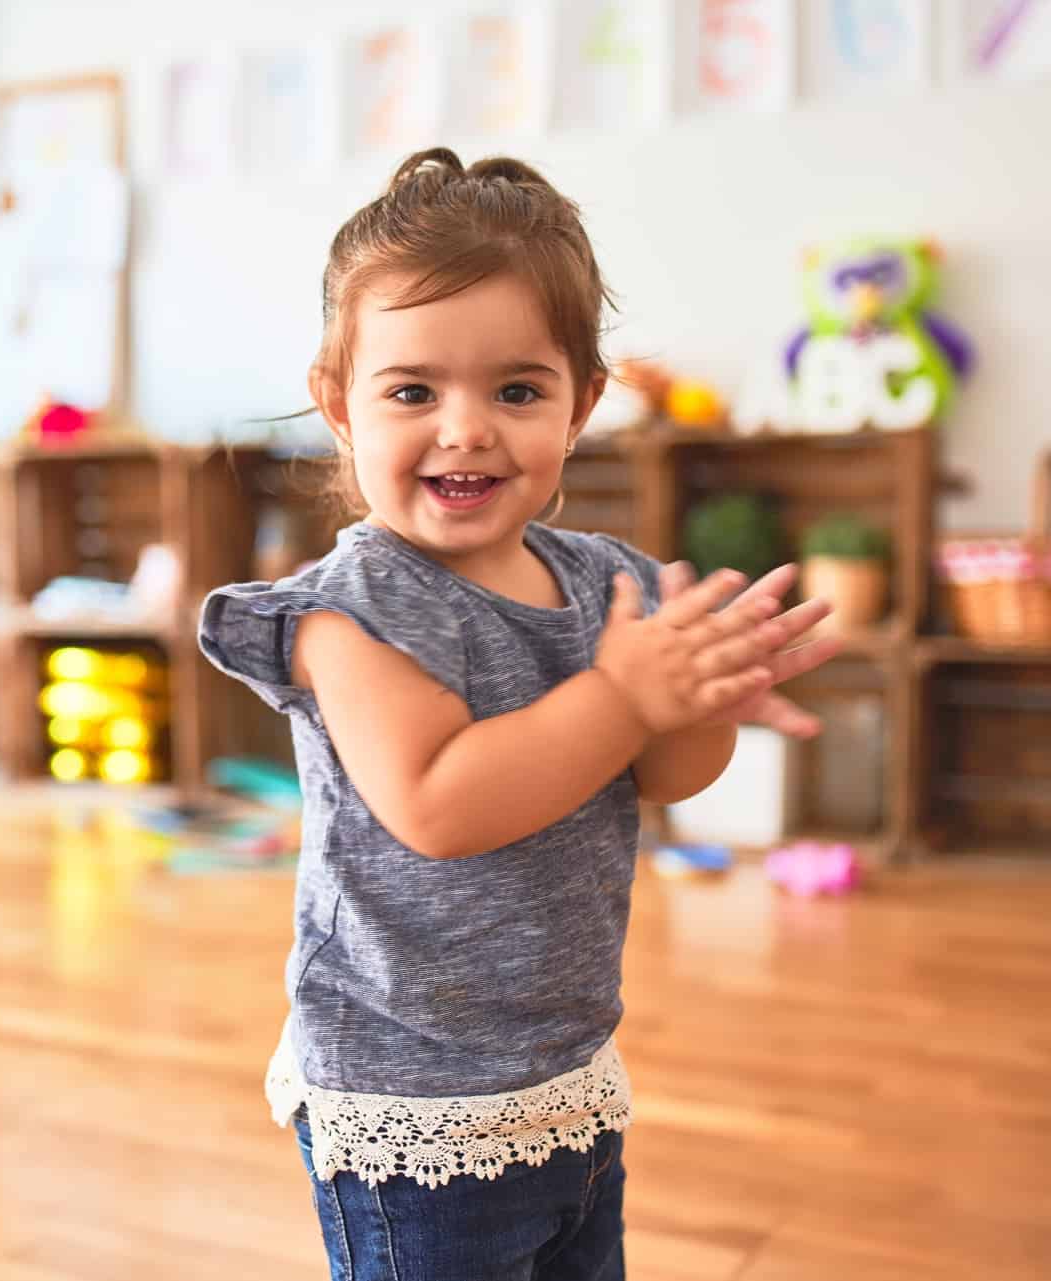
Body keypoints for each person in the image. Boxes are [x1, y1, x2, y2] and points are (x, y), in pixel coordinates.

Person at [199, 148, 841, 1280]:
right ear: (337, 405)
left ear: (583, 404)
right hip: (409, 1098)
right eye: (412, 391)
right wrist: (622, 695)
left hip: (561, 1071)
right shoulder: (349, 614)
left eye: (516, 389)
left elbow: (663, 774)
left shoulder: (606, 583)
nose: (465, 429)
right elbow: (441, 805)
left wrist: (698, 704)